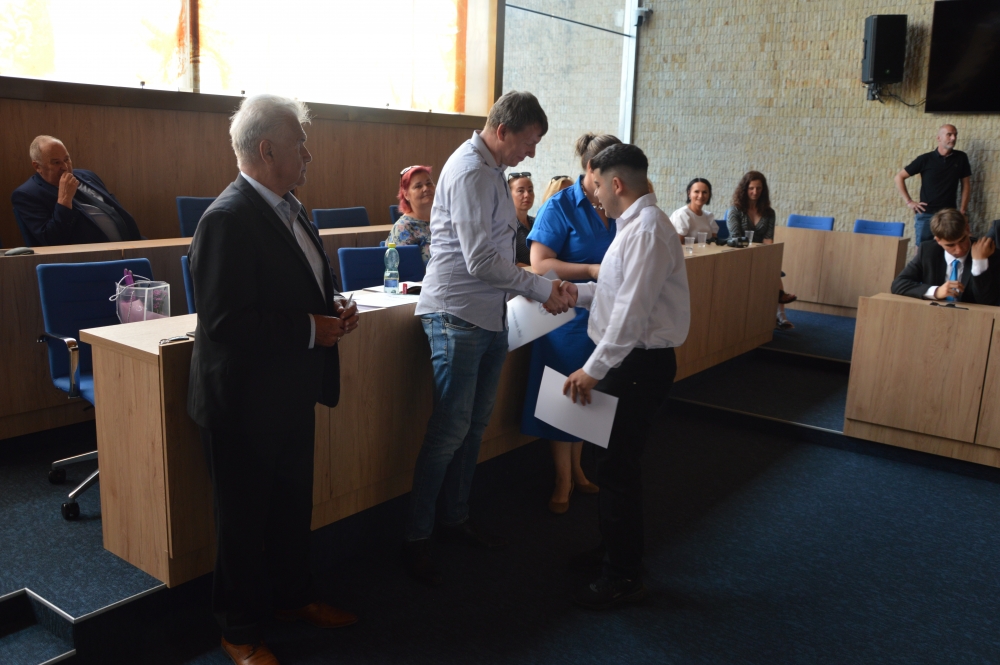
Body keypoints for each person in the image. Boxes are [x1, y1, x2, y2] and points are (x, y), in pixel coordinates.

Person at [187, 94, 361, 665]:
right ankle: (238, 632)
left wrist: (332, 308)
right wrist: (311, 329)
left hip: (289, 392)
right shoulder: (226, 219)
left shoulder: (292, 208)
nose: (308, 155)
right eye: (299, 145)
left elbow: (298, 286)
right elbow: (223, 320)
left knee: (290, 508)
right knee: (242, 523)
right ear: (266, 150)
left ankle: (293, 598)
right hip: (242, 404)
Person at [403, 90, 576, 586]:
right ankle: (416, 536)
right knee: (448, 433)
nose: (533, 153)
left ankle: (456, 518)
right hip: (456, 316)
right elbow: (481, 262)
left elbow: (497, 256)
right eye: (529, 141)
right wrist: (542, 289)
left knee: (474, 427)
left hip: (490, 318)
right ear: (502, 131)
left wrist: (535, 289)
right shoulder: (471, 171)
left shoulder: (492, 169)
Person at [560, 143, 690, 610]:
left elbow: (632, 315)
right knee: (610, 464)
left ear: (616, 184)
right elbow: (615, 292)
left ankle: (624, 575)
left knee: (618, 469)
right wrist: (575, 293)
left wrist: (592, 370)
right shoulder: (633, 225)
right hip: (628, 361)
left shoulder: (648, 230)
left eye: (597, 186)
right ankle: (613, 551)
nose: (594, 194)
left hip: (637, 364)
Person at [523, 132, 620, 514]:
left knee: (586, 397)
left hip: (604, 316)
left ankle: (578, 470)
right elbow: (540, 264)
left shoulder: (615, 204)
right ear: (590, 169)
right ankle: (562, 479)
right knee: (563, 399)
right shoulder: (560, 205)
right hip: (565, 317)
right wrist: (591, 269)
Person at [12, 135, 142, 246]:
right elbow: (51, 240)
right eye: (56, 163)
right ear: (37, 166)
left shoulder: (88, 176)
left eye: (67, 159)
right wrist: (64, 201)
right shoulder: (27, 195)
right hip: (87, 259)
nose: (65, 167)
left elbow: (115, 211)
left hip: (131, 247)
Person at [727, 171, 797, 329]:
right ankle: (779, 303)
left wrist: (767, 259)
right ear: (744, 189)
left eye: (758, 188)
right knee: (767, 270)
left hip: (760, 255)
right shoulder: (735, 210)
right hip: (739, 254)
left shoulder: (769, 212)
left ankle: (780, 316)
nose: (755, 192)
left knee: (773, 269)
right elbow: (736, 238)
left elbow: (768, 239)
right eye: (751, 188)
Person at [891, 208, 998, 305]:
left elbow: (987, 302)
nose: (959, 249)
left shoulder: (989, 253)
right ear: (938, 240)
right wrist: (936, 291)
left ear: (967, 229)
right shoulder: (928, 251)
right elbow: (898, 285)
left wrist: (979, 263)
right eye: (950, 245)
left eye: (962, 240)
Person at [894, 124, 972, 249]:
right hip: (926, 214)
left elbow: (966, 185)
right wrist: (909, 202)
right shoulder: (925, 159)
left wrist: (962, 210)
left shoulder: (961, 158)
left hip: (949, 215)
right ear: (939, 138)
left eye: (955, 135)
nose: (953, 138)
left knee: (947, 249)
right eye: (949, 134)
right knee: (922, 250)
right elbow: (899, 177)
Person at [388, 165, 435, 263]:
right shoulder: (403, 228)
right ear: (406, 195)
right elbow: (404, 268)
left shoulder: (444, 219)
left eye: (429, 183)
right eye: (418, 186)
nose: (426, 188)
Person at [508, 171, 535, 266]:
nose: (527, 195)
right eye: (520, 191)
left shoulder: (537, 222)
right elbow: (509, 262)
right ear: (508, 195)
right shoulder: (505, 226)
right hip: (520, 274)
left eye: (530, 190)